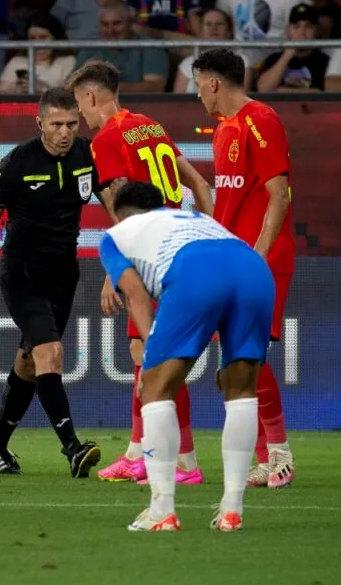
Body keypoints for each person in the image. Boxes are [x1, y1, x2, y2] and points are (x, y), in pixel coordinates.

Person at [67, 58, 212, 486]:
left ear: (92, 97)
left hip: (151, 253)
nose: (82, 117)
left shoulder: (107, 139)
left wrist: (116, 269)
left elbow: (117, 203)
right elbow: (197, 184)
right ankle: (138, 452)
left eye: (80, 106)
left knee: (158, 358)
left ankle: (184, 461)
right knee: (141, 357)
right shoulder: (150, 125)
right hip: (180, 242)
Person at [100, 181, 274, 532]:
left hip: (196, 271)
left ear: (119, 214)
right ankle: (231, 510)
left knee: (155, 389)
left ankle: (162, 510)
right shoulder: (189, 216)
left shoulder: (115, 236)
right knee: (241, 391)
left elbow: (135, 295)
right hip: (252, 267)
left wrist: (150, 364)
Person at [0, 87, 103, 479]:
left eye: (71, 124)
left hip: (64, 275)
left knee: (28, 364)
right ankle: (73, 448)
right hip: (22, 273)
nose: (64, 132)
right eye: (56, 124)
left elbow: (113, 202)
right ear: (39, 123)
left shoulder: (87, 155)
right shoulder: (15, 165)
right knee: (51, 353)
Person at [192, 48, 296, 490]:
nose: (196, 93)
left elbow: (279, 193)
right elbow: (230, 202)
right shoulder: (223, 131)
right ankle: (267, 458)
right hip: (231, 258)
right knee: (237, 359)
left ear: (213, 82)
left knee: (247, 356)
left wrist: (258, 253)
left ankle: (280, 455)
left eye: (197, 83)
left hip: (261, 260)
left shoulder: (261, 120)